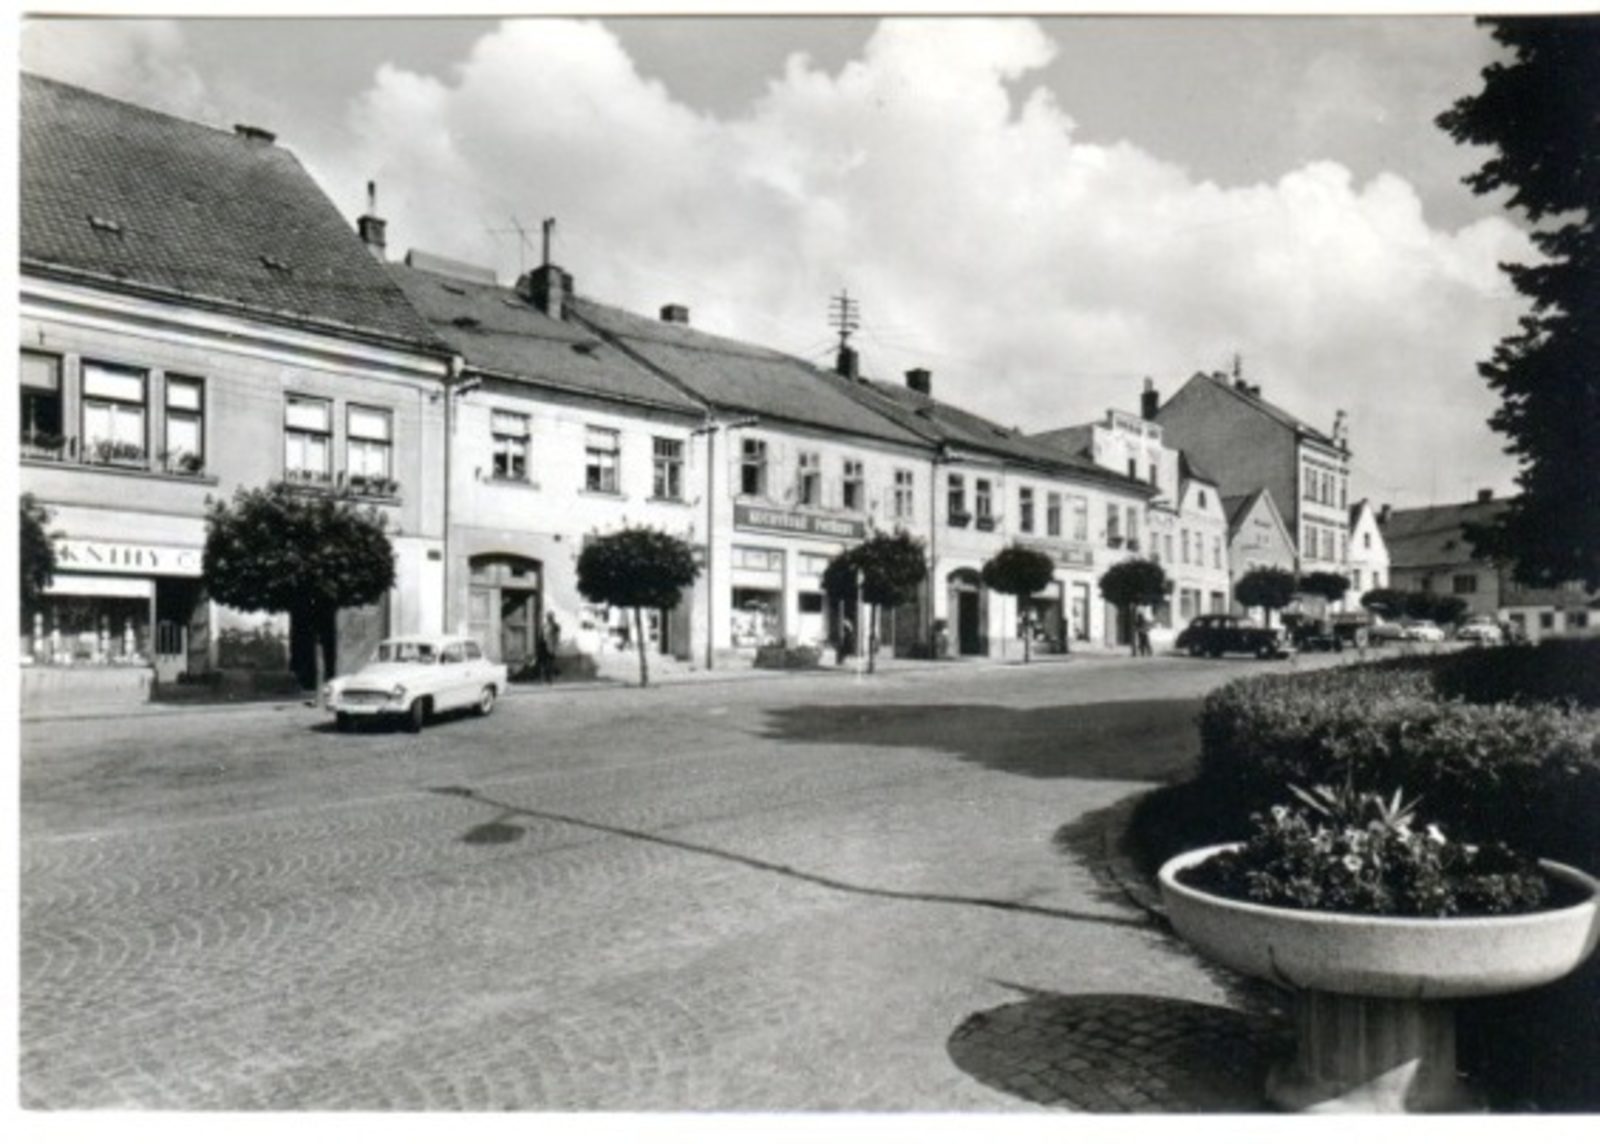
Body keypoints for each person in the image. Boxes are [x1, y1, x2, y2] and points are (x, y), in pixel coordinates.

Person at [535, 611, 562, 683]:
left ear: (553, 618)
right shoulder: (544, 626)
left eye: (550, 617)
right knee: (544, 663)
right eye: (548, 617)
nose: (549, 618)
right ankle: (546, 677)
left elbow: (557, 637)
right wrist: (539, 645)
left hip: (551, 646)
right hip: (543, 645)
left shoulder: (556, 626)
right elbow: (541, 636)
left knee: (550, 663)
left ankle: (550, 678)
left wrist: (555, 646)